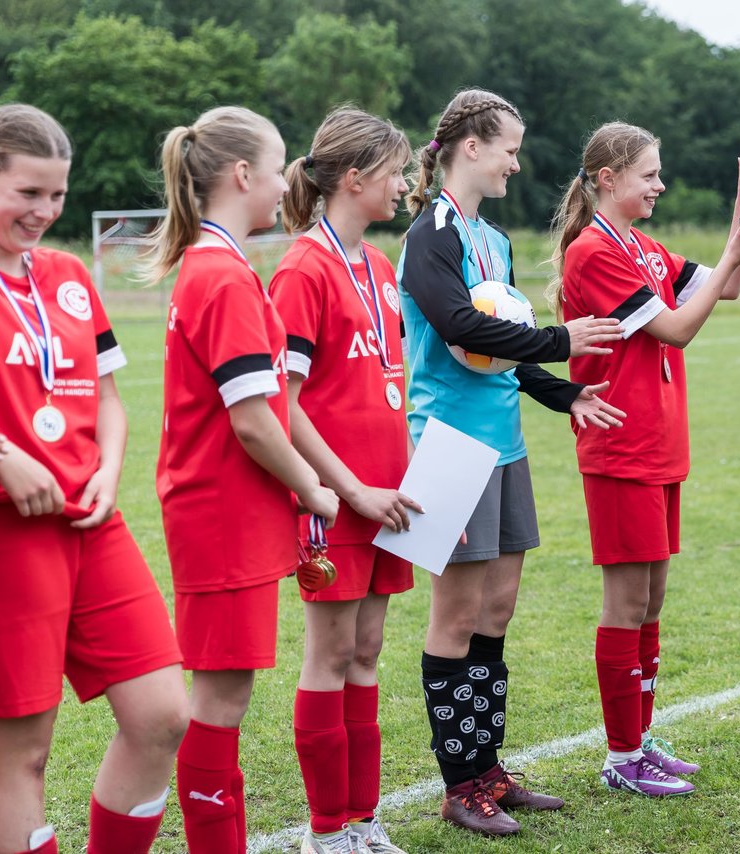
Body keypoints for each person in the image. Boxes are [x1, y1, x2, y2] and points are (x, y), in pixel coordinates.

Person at [399, 88, 625, 836]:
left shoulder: (493, 240)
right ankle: (459, 784)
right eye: (508, 149)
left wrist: (566, 395)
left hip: (504, 446)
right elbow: (460, 325)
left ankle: (488, 769)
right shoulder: (430, 233)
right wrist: (565, 339)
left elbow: (506, 348)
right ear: (471, 146)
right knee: (456, 614)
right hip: (447, 446)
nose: (516, 163)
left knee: (496, 610)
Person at [546, 122, 740, 797]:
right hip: (621, 444)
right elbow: (679, 328)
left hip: (657, 444)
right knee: (626, 602)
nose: (660, 184)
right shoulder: (595, 252)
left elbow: (724, 286)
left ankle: (640, 739)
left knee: (651, 600)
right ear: (608, 179)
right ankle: (622, 757)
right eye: (649, 174)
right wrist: (736, 246)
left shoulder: (641, 247)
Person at [0, 104, 188, 854]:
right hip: (3, 532)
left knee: (163, 715)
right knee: (23, 753)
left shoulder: (67, 275)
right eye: (26, 193)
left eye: (57, 195)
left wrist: (106, 469)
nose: (44, 211)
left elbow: (105, 398)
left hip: (91, 520)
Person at [147, 106, 340, 854]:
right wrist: (316, 488)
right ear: (242, 176)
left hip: (228, 514)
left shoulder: (218, 265)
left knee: (225, 697)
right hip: (220, 515)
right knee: (219, 702)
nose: (285, 177)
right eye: (278, 161)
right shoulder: (220, 274)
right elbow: (254, 421)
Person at [270, 107, 423, 854]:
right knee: (329, 657)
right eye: (394, 171)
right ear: (355, 178)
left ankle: (364, 820)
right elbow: (284, 405)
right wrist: (347, 490)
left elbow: (389, 385)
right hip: (338, 499)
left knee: (366, 654)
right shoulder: (303, 267)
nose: (405, 184)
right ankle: (324, 831)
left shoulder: (381, 267)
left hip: (389, 498)